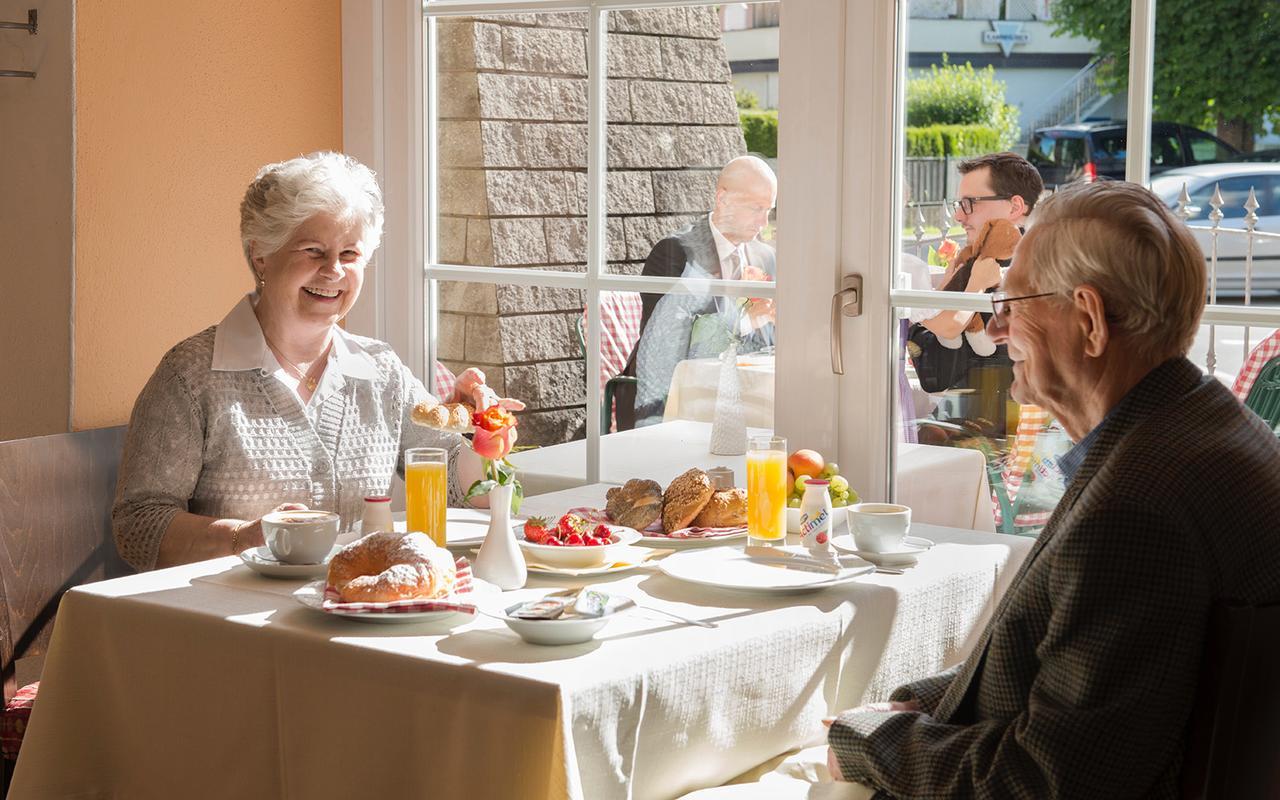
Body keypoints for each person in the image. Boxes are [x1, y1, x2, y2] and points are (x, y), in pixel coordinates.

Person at [828, 181, 1280, 797]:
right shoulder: (1193, 429)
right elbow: (1064, 663)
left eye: (1014, 302)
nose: (997, 324)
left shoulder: (1139, 505)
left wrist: (873, 743)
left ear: (1089, 320)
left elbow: (1044, 781)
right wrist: (919, 707)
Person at [113, 152, 503, 572]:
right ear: (261, 253)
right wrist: (245, 538)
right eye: (313, 251)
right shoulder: (191, 376)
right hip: (229, 620)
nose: (333, 271)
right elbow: (139, 527)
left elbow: (461, 490)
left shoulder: (381, 370)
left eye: (350, 254)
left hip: (356, 611)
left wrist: (484, 434)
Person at [616, 156, 778, 428]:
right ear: (722, 198)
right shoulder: (674, 253)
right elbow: (668, 346)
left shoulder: (766, 257)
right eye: (755, 208)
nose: (763, 222)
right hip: (674, 399)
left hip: (748, 393)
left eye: (769, 210)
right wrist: (747, 320)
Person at [910, 151, 1043, 439]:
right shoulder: (980, 266)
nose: (959, 215)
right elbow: (936, 370)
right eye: (960, 204)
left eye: (970, 204)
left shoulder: (1029, 277)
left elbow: (935, 371)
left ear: (1015, 206)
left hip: (999, 439)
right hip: (973, 431)